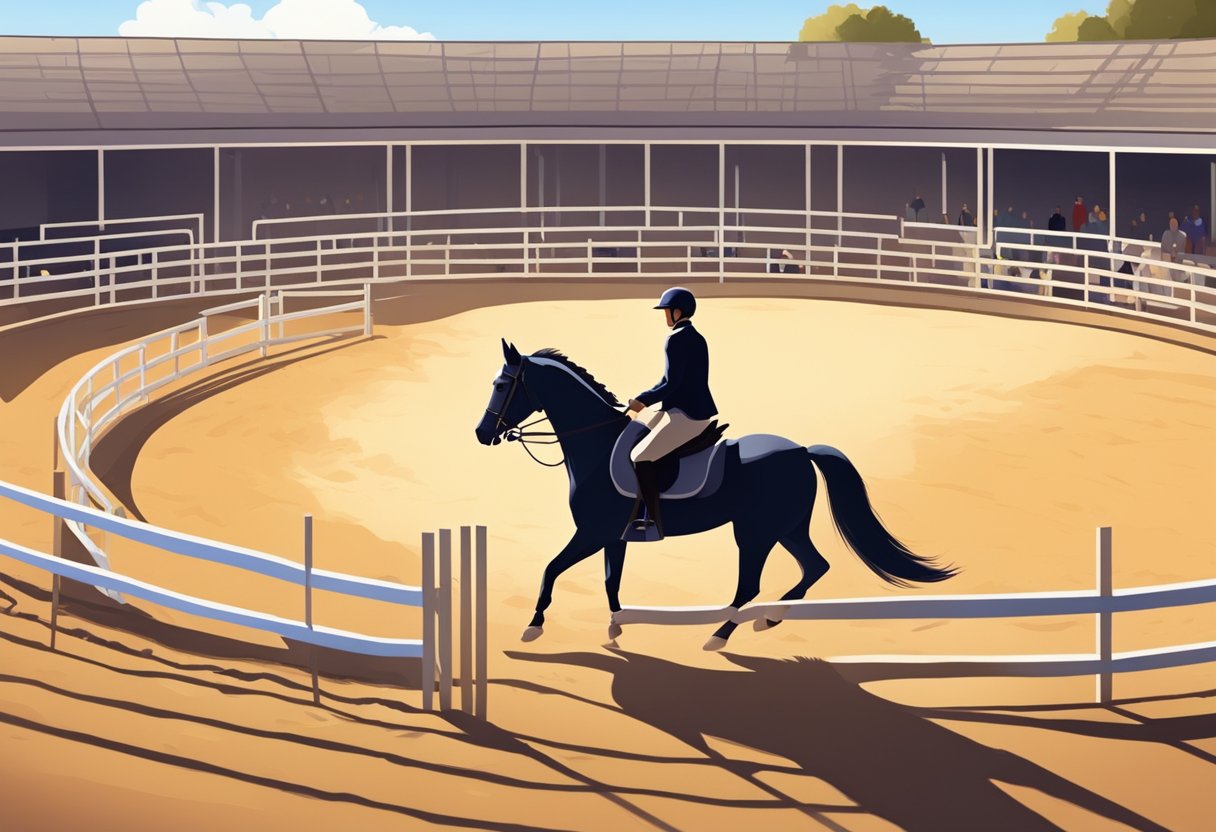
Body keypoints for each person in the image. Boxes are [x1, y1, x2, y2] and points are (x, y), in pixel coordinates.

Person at [626, 287, 718, 539]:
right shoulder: (695, 336)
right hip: (684, 409)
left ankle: (653, 520)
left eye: (666, 311)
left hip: (687, 415)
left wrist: (642, 401)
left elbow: (672, 384)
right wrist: (642, 400)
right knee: (642, 429)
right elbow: (666, 380)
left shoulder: (676, 339)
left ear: (677, 312)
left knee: (639, 456)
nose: (665, 316)